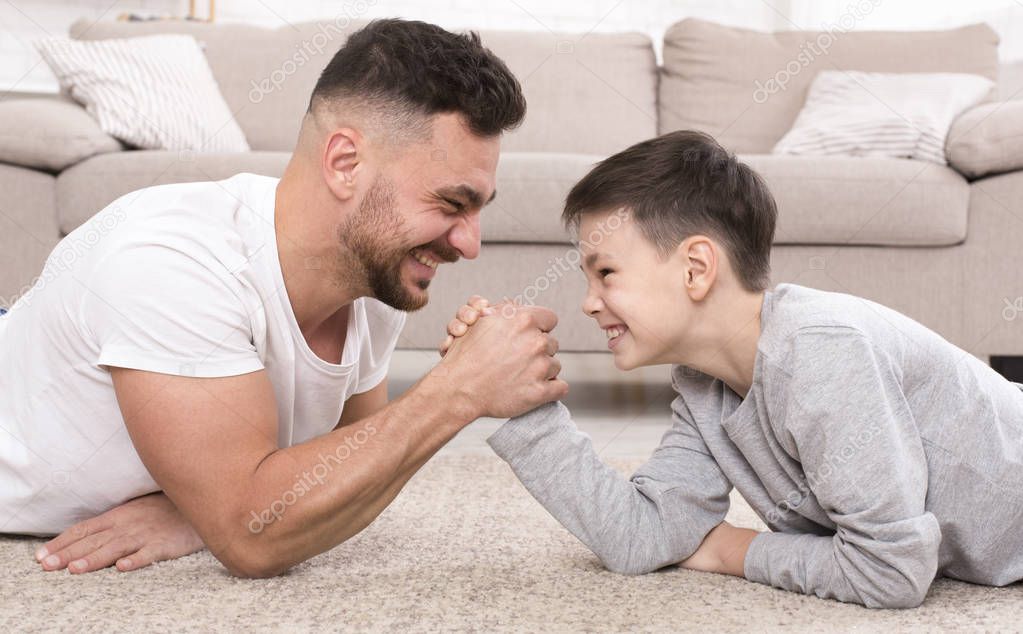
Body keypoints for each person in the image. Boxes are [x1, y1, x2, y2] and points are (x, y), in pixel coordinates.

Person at [0, 18, 567, 577]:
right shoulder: (171, 263)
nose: (470, 245)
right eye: (450, 204)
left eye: (477, 210)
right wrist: (457, 390)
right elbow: (255, 540)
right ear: (345, 163)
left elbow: (346, 475)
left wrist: (198, 511)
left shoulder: (372, 274)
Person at [442, 130, 1023, 609]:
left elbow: (889, 573)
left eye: (606, 273)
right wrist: (520, 403)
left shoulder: (821, 352)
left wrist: (728, 551)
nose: (588, 302)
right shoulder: (705, 387)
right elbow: (643, 537)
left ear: (696, 267)